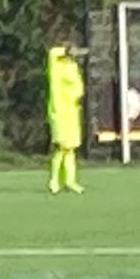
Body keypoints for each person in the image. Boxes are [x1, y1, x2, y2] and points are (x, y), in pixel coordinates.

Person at [48, 45, 86, 195]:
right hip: (59, 112)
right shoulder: (56, 67)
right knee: (61, 147)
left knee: (71, 148)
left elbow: (78, 87)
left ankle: (71, 182)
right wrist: (66, 50)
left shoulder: (73, 67)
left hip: (72, 111)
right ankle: (54, 181)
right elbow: (53, 53)